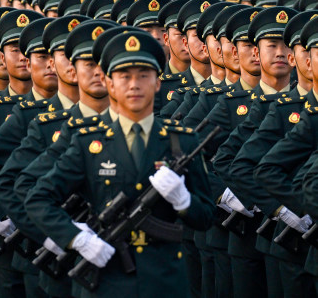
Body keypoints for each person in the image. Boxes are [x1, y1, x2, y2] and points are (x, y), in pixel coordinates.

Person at [25, 29, 214, 297]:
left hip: (165, 280)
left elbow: (206, 217)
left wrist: (185, 202)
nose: (134, 85)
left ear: (157, 83)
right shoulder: (88, 142)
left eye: (143, 76)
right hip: (106, 279)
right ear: (110, 83)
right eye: (124, 76)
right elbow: (38, 198)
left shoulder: (181, 141)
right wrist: (74, 237)